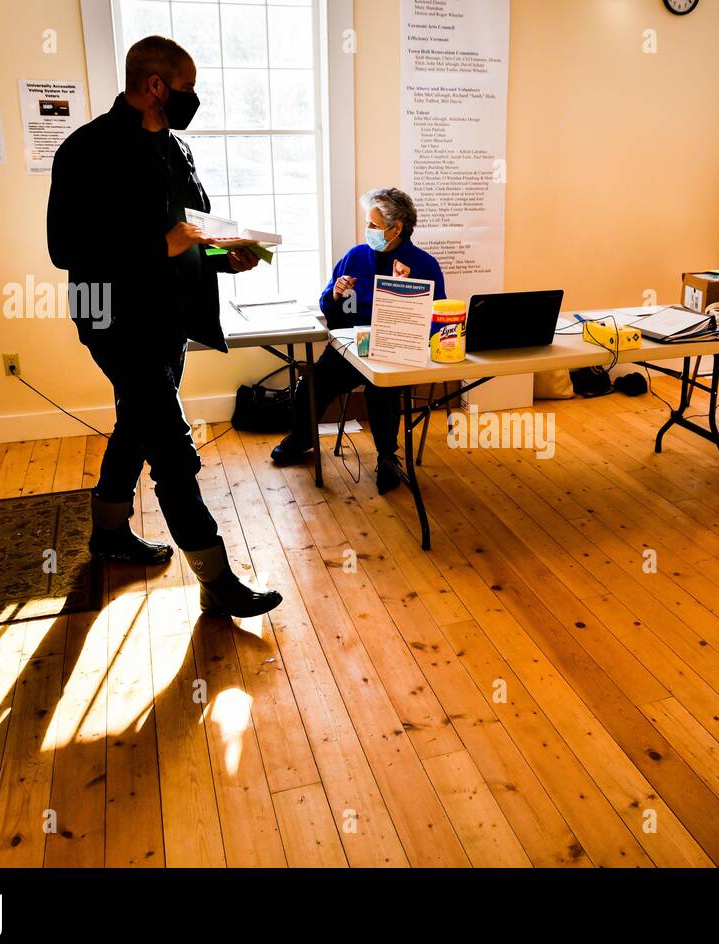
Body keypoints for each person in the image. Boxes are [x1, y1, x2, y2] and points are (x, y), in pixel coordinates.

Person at [48, 36, 281, 618]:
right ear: (156, 85)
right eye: (187, 88)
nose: (192, 99)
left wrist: (228, 256)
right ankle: (217, 577)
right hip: (114, 318)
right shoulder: (86, 150)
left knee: (138, 418)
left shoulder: (177, 150)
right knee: (173, 445)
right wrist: (158, 243)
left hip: (172, 316)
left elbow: (192, 235)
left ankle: (107, 532)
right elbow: (64, 247)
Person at [270, 188, 446, 492]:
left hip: (396, 351)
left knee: (383, 391)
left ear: (397, 228)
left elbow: (436, 318)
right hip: (351, 349)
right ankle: (301, 438)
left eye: (374, 226)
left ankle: (387, 457)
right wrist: (335, 294)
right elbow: (328, 306)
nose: (368, 231)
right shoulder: (355, 256)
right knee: (311, 384)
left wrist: (404, 296)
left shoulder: (424, 265)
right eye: (368, 224)